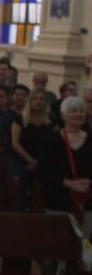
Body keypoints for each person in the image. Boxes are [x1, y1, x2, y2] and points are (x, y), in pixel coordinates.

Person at [37, 97, 92, 237]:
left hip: (88, 203)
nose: (79, 114)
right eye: (74, 111)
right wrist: (70, 184)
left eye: (82, 111)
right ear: (63, 115)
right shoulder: (51, 139)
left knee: (85, 248)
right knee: (60, 244)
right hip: (58, 202)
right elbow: (42, 172)